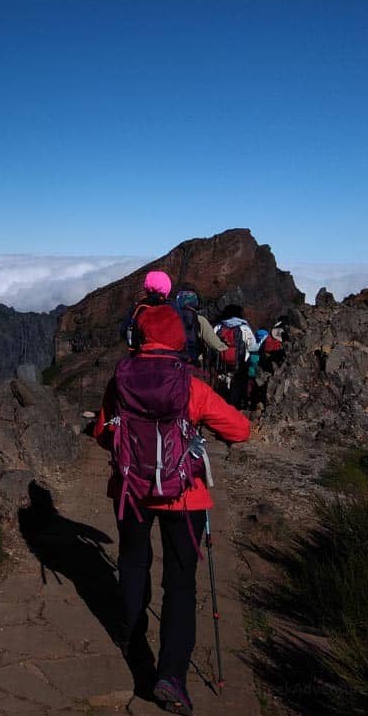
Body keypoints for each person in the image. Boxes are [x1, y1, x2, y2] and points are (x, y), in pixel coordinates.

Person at [95, 305, 250, 714]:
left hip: (131, 491)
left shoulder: (120, 380)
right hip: (185, 498)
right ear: (181, 339)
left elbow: (101, 434)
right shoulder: (191, 385)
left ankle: (131, 633)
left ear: (139, 337)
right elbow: (240, 429)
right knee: (180, 585)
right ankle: (172, 677)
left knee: (132, 562)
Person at [213, 304, 259, 409]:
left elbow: (211, 346)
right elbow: (253, 348)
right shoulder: (244, 328)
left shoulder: (218, 327)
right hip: (240, 368)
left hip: (221, 367)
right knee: (237, 394)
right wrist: (253, 370)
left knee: (221, 395)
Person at [173, 290, 227, 370]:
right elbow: (216, 345)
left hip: (174, 365)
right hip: (193, 365)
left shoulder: (172, 319)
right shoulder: (200, 320)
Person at [122, 270, 174, 351]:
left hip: (142, 357)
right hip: (170, 357)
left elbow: (123, 332)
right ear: (168, 288)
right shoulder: (173, 308)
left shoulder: (138, 308)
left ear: (146, 288)